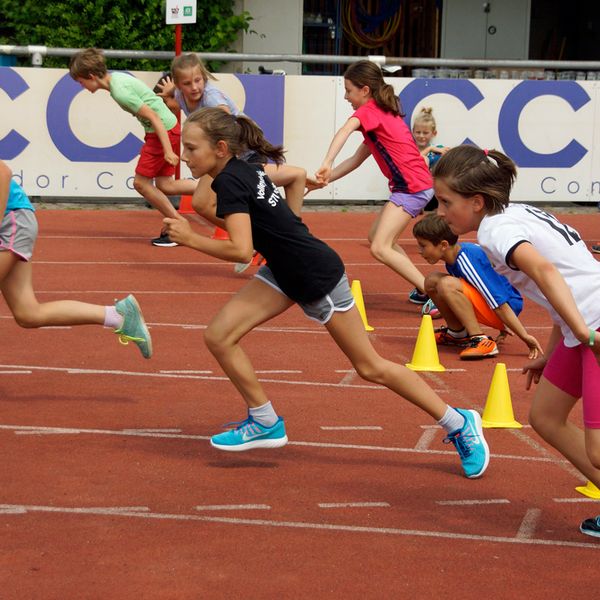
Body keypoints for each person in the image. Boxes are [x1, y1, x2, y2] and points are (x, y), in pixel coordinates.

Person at [161, 106, 490, 479]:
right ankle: (264, 420)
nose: (184, 156)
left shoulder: (234, 181)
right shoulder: (239, 170)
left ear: (220, 148)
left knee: (370, 367)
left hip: (315, 276)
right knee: (219, 336)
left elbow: (239, 250)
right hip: (286, 270)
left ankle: (458, 421)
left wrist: (190, 239)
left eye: (191, 149)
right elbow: (271, 188)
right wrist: (288, 229)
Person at [433, 144, 600, 537]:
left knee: (596, 450)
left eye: (445, 202)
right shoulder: (512, 213)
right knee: (545, 417)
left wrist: (582, 332)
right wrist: (556, 347)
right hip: (582, 328)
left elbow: (545, 270)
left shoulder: (496, 230)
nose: (439, 212)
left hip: (594, 330)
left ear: (476, 202)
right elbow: (568, 279)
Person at [0, 160, 152, 359]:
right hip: (13, 220)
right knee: (28, 314)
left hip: (11, 221)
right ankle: (119, 316)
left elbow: (3, 172)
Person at [315, 60, 434, 309]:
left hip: (412, 187)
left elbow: (345, 130)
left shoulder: (369, 112)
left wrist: (326, 160)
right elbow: (355, 160)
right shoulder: (380, 115)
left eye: (349, 90)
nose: (346, 96)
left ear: (365, 90)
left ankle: (434, 294)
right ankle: (427, 289)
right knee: (379, 240)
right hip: (414, 185)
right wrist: (325, 179)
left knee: (380, 247)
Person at [156, 53, 314, 226]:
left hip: (242, 152)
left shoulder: (211, 97)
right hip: (226, 157)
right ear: (179, 85)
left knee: (208, 202)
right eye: (187, 83)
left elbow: (226, 121)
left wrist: (229, 160)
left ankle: (292, 184)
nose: (194, 87)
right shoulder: (179, 94)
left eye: (198, 80)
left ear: (205, 77)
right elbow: (176, 100)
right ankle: (254, 236)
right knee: (202, 204)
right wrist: (170, 92)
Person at [69, 48, 196, 248]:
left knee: (141, 183)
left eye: (80, 81)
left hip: (161, 131)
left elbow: (154, 117)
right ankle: (212, 190)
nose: (81, 86)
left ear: (92, 76)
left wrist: (168, 150)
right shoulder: (117, 79)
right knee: (165, 185)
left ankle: (179, 225)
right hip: (165, 129)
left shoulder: (119, 92)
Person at [413, 213, 543, 360]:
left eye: (423, 246)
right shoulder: (454, 257)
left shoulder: (466, 259)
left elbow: (498, 301)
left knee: (446, 284)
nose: (420, 250)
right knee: (431, 281)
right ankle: (457, 334)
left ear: (443, 245)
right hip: (498, 305)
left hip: (506, 307)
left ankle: (480, 340)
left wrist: (525, 336)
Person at [412, 106, 449, 212]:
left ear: (434, 133)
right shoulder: (410, 148)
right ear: (413, 132)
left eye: (425, 132)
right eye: (418, 132)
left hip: (434, 192)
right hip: (416, 190)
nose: (421, 136)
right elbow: (415, 160)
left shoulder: (439, 149)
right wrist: (430, 148)